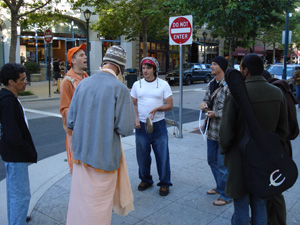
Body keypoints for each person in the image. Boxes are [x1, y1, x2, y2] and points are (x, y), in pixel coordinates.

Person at [66, 45, 135, 225]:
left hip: (80, 157)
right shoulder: (120, 89)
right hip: (104, 159)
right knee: (99, 209)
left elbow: (70, 122)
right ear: (120, 68)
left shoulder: (83, 84)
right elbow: (126, 128)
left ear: (104, 63)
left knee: (80, 206)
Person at [220, 54, 289, 224]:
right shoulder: (277, 93)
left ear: (246, 70)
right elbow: (284, 131)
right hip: (264, 160)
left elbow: (226, 133)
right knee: (260, 204)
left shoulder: (237, 94)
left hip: (240, 160)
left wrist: (225, 151)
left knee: (241, 206)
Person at [0, 63, 38, 225]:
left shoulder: (8, 98)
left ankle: (17, 219)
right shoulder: (8, 102)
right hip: (16, 155)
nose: (26, 82)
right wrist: (27, 150)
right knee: (20, 196)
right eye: (22, 79)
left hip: (12, 154)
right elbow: (13, 135)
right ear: (11, 82)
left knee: (14, 193)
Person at [131, 57, 173, 196]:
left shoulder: (163, 84)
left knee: (162, 155)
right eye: (143, 68)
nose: (145, 71)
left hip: (159, 126)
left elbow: (169, 104)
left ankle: (165, 183)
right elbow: (134, 103)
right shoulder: (137, 85)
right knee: (142, 156)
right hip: (141, 126)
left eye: (148, 68)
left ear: (154, 69)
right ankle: (146, 180)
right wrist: (136, 118)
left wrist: (157, 109)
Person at [262, 70, 299, 225]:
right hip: (281, 147)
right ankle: (269, 218)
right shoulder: (282, 90)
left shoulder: (276, 93)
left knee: (274, 189)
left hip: (277, 149)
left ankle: (276, 221)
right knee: (272, 188)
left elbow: (289, 128)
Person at [199, 56, 232, 206]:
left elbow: (232, 109)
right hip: (211, 130)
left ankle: (227, 195)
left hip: (224, 131)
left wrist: (216, 114)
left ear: (222, 67)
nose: (211, 66)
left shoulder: (230, 86)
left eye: (214, 64)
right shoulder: (212, 84)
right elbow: (206, 99)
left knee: (222, 164)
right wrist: (204, 105)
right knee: (211, 161)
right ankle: (220, 187)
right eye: (211, 63)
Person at [59, 43, 88, 174]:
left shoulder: (86, 77)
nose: (85, 56)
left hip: (88, 130)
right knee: (77, 167)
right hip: (76, 132)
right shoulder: (67, 81)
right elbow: (65, 109)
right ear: (73, 61)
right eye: (81, 55)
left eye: (85, 54)